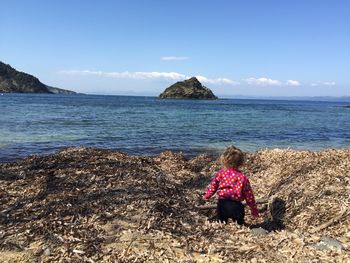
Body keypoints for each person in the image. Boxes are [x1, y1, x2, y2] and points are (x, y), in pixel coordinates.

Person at [203, 146, 259, 225]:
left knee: (221, 223)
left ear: (224, 160)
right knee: (239, 224)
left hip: (222, 204)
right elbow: (249, 195)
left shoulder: (221, 173)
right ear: (241, 162)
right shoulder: (242, 177)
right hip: (236, 206)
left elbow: (213, 186)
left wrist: (207, 196)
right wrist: (254, 209)